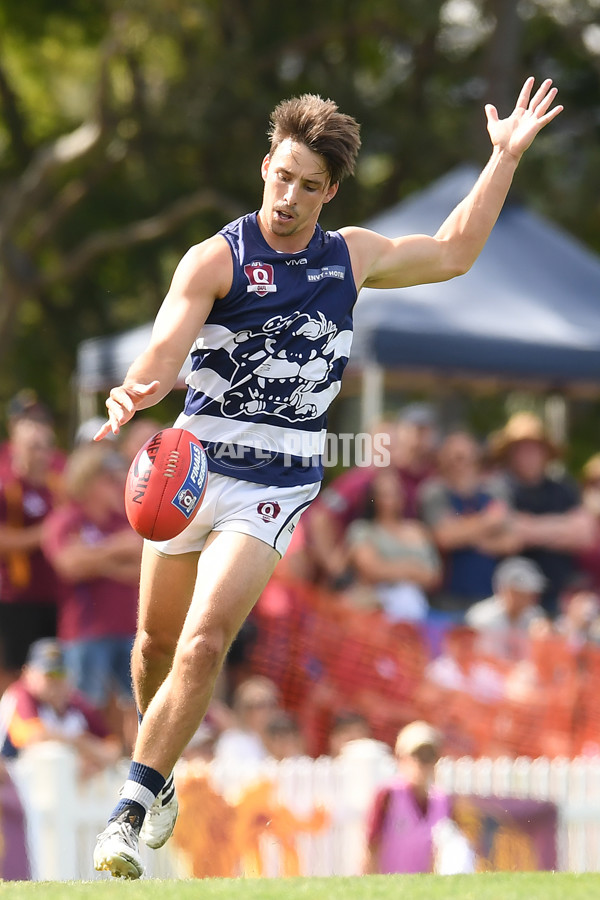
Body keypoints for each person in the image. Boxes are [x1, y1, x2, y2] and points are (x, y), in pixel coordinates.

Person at [91, 79, 563, 879]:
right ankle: (160, 767)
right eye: (282, 176)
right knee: (153, 646)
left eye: (310, 185)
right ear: (265, 167)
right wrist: (137, 387)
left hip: (273, 484)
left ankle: (127, 814)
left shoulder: (349, 256)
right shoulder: (217, 257)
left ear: (330, 191)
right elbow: (164, 350)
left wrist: (502, 159)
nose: (290, 196)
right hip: (191, 468)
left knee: (205, 642)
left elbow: (453, 250)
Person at [41, 443, 142, 751]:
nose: (117, 484)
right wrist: (114, 552)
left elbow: (141, 562)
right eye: (108, 478)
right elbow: (69, 566)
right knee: (86, 708)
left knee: (137, 707)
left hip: (129, 628)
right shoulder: (65, 520)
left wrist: (94, 560)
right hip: (85, 632)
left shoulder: (124, 517)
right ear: (87, 481)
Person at [490, 411, 594, 615]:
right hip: (514, 602)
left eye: (534, 449)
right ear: (510, 453)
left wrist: (531, 528)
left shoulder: (564, 488)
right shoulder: (498, 487)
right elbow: (510, 533)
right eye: (522, 449)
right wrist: (562, 528)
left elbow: (585, 534)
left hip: (559, 595)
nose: (529, 455)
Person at [419, 430, 516, 619]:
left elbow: (511, 542)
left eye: (464, 457)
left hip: (490, 600)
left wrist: (465, 533)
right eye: (453, 458)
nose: (459, 464)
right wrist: (489, 522)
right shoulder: (434, 492)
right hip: (446, 600)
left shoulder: (494, 491)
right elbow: (445, 537)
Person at [0, 416, 63, 694]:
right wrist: (46, 532)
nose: (41, 453)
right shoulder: (7, 487)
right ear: (16, 447)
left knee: (54, 670)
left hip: (56, 594)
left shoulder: (57, 486)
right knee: (15, 670)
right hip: (17, 594)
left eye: (45, 446)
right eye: (33, 446)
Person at [362, 720, 473, 874]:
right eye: (417, 755)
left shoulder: (443, 801)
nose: (422, 763)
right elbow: (371, 847)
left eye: (429, 756)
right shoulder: (388, 796)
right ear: (401, 757)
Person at [0, 639, 121, 778]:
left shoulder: (76, 702)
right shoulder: (20, 695)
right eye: (49, 675)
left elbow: (113, 747)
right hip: (12, 784)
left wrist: (95, 759)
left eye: (60, 674)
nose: (55, 681)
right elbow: (33, 736)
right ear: (28, 673)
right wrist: (81, 745)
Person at [345, 468, 440, 621]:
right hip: (375, 608)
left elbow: (434, 575)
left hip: (417, 610)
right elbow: (371, 569)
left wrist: (390, 568)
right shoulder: (362, 530)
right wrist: (411, 568)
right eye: (385, 494)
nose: (391, 499)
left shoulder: (418, 529)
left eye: (396, 492)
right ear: (373, 497)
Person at [465, 556, 548, 660]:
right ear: (508, 590)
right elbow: (479, 659)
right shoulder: (482, 617)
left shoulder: (535, 616)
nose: (530, 597)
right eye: (522, 593)